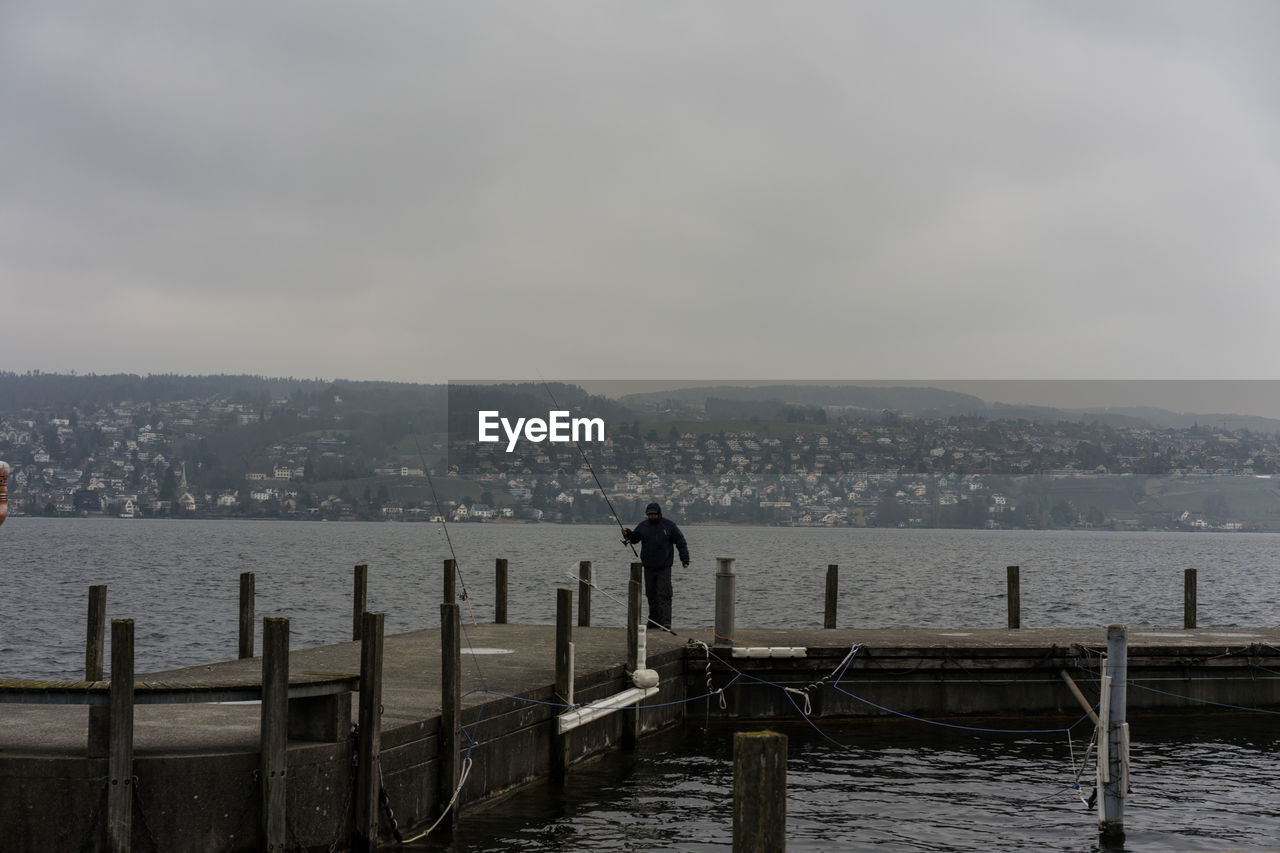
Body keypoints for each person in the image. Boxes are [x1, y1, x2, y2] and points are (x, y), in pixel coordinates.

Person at [621, 502, 689, 631]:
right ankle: (653, 621)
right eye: (650, 514)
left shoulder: (669, 526)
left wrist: (684, 560)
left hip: (664, 567)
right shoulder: (643, 526)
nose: (652, 516)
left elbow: (681, 542)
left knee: (664, 594)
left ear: (659, 513)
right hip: (648, 567)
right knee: (651, 594)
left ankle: (666, 622)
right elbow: (634, 539)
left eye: (654, 514)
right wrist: (627, 533)